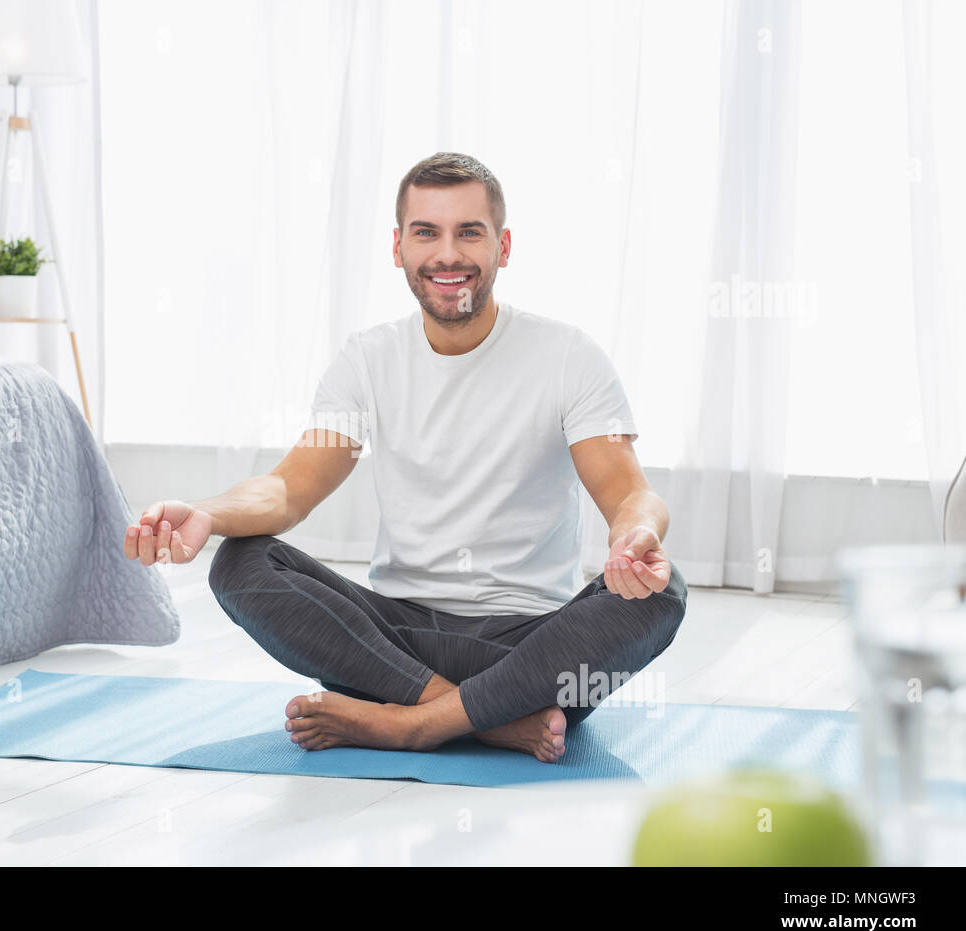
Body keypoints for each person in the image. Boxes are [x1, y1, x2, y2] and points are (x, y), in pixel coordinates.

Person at [122, 152, 686, 763]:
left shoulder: (568, 355)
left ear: (503, 246)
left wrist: (636, 539)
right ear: (398, 247)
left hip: (528, 647)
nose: (448, 254)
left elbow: (631, 494)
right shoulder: (368, 359)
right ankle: (485, 721)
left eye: (469, 232)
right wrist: (205, 513)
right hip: (395, 643)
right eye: (427, 233)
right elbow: (290, 490)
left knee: (661, 591)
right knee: (239, 562)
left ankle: (408, 726)